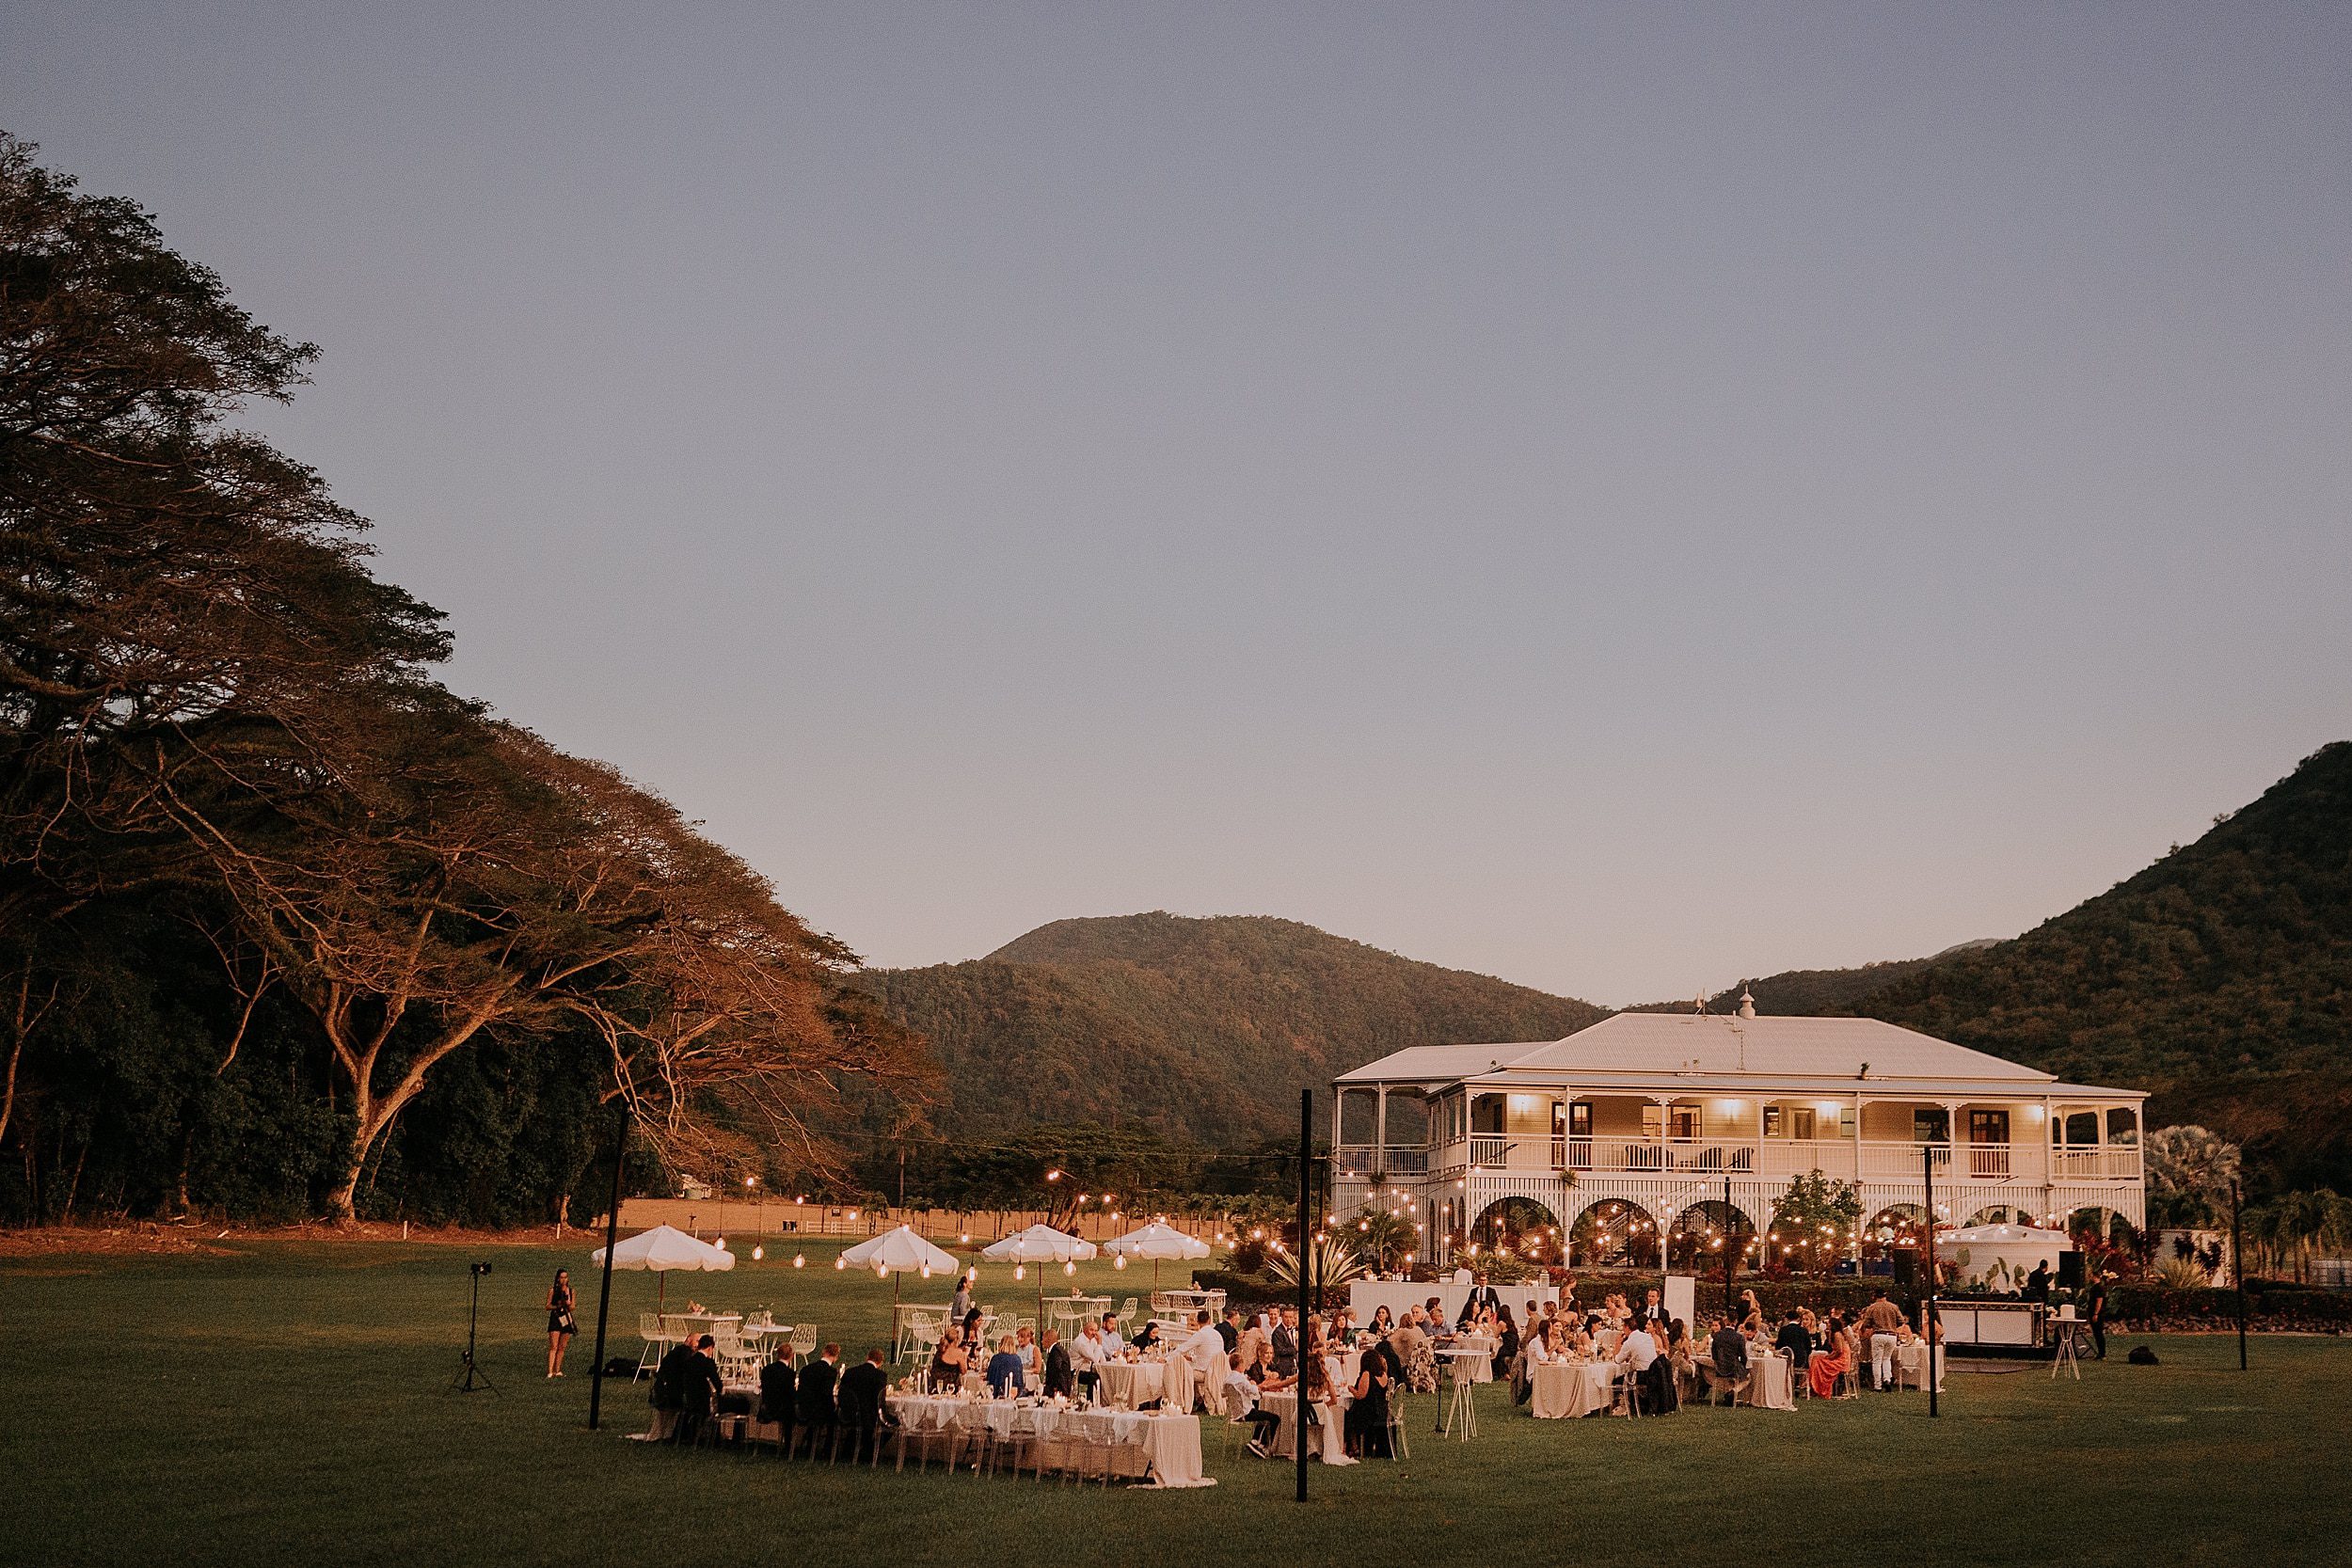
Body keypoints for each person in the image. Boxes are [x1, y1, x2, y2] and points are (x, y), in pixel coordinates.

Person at [835, 1347, 890, 1462]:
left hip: (846, 1413)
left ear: (867, 1358)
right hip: (867, 1416)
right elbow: (879, 1399)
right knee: (892, 1424)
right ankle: (868, 1451)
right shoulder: (879, 1376)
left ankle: (854, 1450)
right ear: (880, 1363)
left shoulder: (850, 1372)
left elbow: (842, 1391)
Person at [1344, 1338, 1394, 1458]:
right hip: (1382, 1410)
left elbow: (1361, 1395)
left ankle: (1354, 1446)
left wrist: (1350, 1388)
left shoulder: (1367, 1374)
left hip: (1369, 1412)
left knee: (1347, 1416)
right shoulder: (1384, 1374)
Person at [796, 1343, 841, 1459]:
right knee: (834, 1419)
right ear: (836, 1357)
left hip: (803, 1408)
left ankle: (810, 1444)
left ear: (824, 1352)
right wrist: (833, 1407)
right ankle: (828, 1451)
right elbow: (826, 1394)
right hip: (818, 1411)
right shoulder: (830, 1372)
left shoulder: (806, 1369)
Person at [676, 1334, 723, 1445]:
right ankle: (716, 1439)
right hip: (702, 1401)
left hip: (689, 1399)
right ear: (709, 1348)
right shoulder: (707, 1362)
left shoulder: (689, 1361)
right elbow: (717, 1383)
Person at [1857, 1289, 1907, 1389]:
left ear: (1875, 1296)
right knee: (1887, 1358)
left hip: (1878, 1334)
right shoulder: (1893, 1307)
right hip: (1892, 1335)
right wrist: (1892, 1325)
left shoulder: (1872, 1307)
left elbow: (1866, 1323)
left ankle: (1878, 1385)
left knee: (1877, 1360)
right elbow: (1901, 1321)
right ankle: (1887, 1379)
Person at [756, 1341, 798, 1453]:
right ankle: (789, 1446)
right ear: (791, 1356)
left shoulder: (767, 1369)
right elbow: (790, 1394)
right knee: (792, 1411)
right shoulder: (789, 1373)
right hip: (781, 1410)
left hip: (766, 1408)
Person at [1807, 1313, 1852, 1400]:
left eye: (1828, 1324)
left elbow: (1839, 1351)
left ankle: (1818, 1387)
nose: (1826, 1325)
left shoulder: (1837, 1335)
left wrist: (1829, 1358)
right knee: (1817, 1360)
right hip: (1839, 1358)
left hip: (1842, 1361)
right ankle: (1815, 1386)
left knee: (1817, 1361)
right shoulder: (1835, 1334)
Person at [545, 1268, 578, 1378]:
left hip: (566, 1318)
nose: (564, 1280)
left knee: (562, 1346)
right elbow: (547, 1306)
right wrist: (558, 1305)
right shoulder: (553, 1290)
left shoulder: (571, 1291)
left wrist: (567, 1304)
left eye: (565, 1277)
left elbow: (573, 1306)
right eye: (562, 1277)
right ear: (558, 1278)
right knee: (554, 1346)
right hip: (556, 1318)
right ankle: (550, 1371)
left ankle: (558, 1370)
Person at [928, 1322, 969, 1392]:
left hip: (935, 1386)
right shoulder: (958, 1352)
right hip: (951, 1388)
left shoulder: (940, 1350)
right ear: (956, 1340)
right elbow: (964, 1371)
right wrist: (965, 1354)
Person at [985, 1334, 1027, 1398]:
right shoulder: (1017, 1359)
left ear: (1001, 1345)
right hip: (1015, 1393)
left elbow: (990, 1378)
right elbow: (1020, 1380)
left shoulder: (996, 1358)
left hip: (997, 1392)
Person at [1270, 1306, 1300, 1379]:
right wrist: (1295, 1349)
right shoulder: (1277, 1332)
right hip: (1282, 1368)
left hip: (1293, 1365)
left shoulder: (1294, 1329)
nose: (1288, 1319)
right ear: (1282, 1317)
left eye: (1291, 1317)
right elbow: (1279, 1351)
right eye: (1286, 1317)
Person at [2087, 1274, 2110, 1360]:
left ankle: (2102, 1353)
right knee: (2097, 1333)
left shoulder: (2098, 1288)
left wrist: (2096, 1313)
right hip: (2095, 1312)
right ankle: (2101, 1352)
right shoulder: (2098, 1287)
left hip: (2097, 1313)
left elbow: (2099, 1301)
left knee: (2098, 1332)